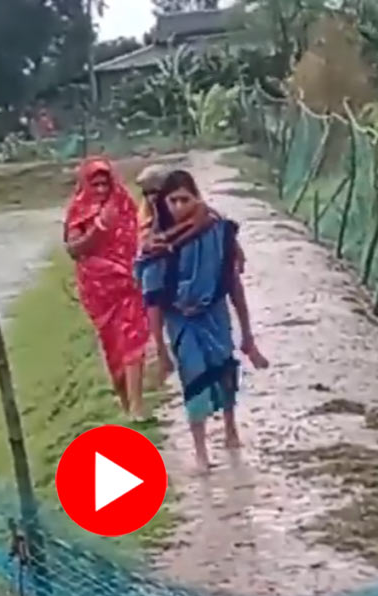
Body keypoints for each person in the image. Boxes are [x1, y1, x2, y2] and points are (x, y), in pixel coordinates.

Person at [135, 170, 268, 474]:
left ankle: (231, 428)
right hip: (181, 321)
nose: (179, 206)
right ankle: (200, 450)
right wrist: (161, 349)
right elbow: (153, 301)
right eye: (173, 200)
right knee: (193, 378)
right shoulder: (156, 245)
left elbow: (233, 282)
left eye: (186, 199)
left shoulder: (217, 232)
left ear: (197, 198)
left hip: (214, 313)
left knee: (224, 368)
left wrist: (247, 334)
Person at [64, 157, 150, 421]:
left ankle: (137, 406)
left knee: (134, 339)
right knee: (113, 346)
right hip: (99, 291)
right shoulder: (78, 211)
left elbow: (137, 237)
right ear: (86, 185)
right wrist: (99, 228)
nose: (101, 189)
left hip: (128, 284)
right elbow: (73, 249)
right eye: (96, 184)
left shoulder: (124, 204)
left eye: (105, 183)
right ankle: (125, 404)